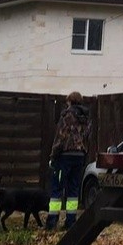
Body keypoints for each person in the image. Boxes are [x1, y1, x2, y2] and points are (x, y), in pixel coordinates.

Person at [47, 92, 91, 230]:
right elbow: (87, 137)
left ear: (70, 102)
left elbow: (60, 137)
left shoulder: (67, 116)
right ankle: (71, 221)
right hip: (79, 156)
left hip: (65, 156)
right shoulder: (86, 117)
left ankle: (52, 221)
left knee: (57, 189)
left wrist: (53, 156)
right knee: (73, 190)